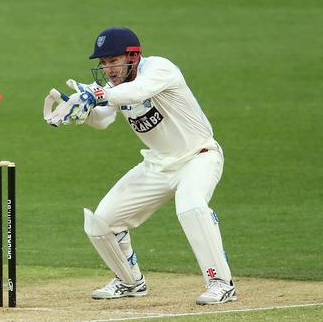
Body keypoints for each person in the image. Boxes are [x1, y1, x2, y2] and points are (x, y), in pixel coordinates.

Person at [44, 27, 236, 305]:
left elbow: (138, 91)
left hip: (199, 156)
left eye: (113, 61)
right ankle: (129, 281)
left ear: (133, 56)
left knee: (191, 205)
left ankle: (221, 282)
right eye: (104, 63)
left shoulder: (160, 69)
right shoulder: (113, 88)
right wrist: (78, 110)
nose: (108, 69)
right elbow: (102, 119)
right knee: (102, 223)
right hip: (158, 165)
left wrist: (96, 95)